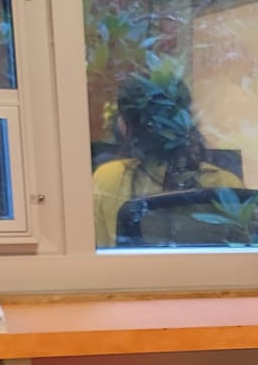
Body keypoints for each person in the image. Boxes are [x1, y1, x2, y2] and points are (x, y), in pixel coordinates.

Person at [91, 76, 244, 247]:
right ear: (187, 122)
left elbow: (102, 253)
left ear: (126, 126)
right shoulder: (226, 184)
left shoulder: (108, 178)